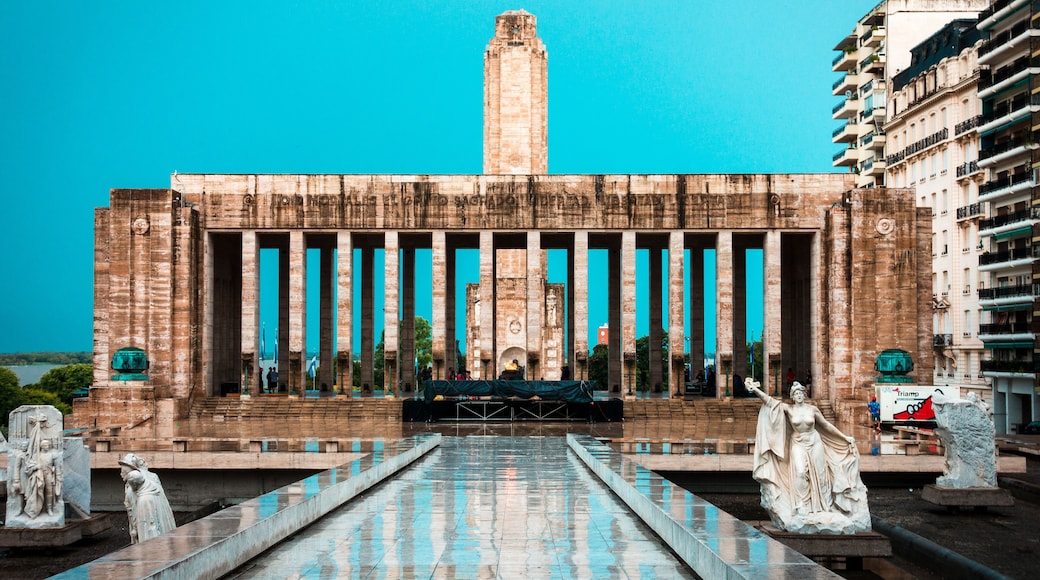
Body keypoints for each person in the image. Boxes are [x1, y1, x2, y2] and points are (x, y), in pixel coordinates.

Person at [745, 378, 870, 534]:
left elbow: (826, 425)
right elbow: (770, 402)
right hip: (798, 442)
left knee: (820, 473)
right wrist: (755, 390)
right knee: (800, 471)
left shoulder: (813, 409)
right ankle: (802, 505)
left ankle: (825, 506)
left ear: (804, 394)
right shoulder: (789, 409)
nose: (798, 395)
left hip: (815, 441)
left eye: (800, 393)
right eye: (795, 393)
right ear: (792, 396)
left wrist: (844, 438)